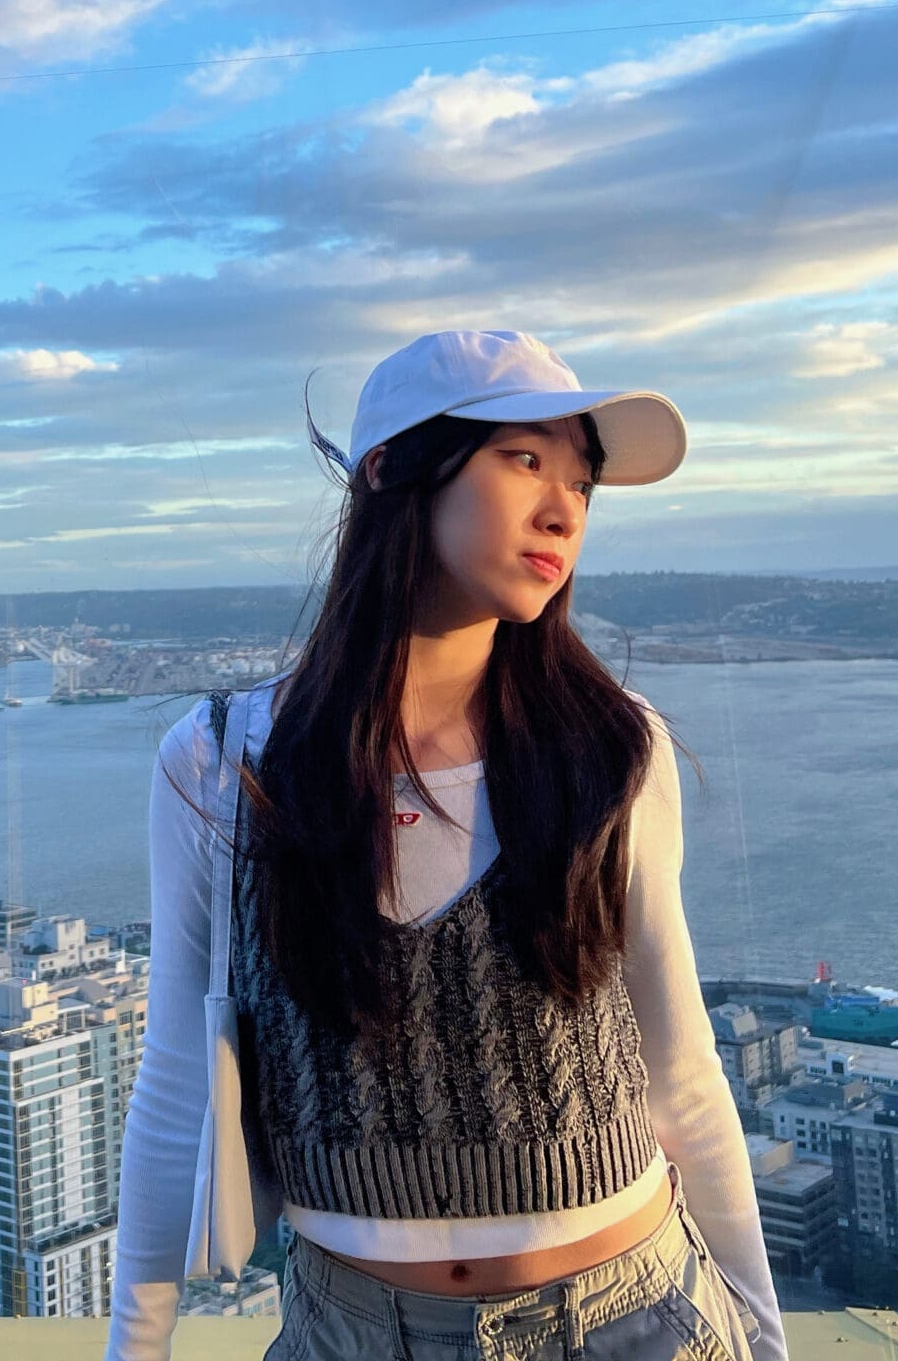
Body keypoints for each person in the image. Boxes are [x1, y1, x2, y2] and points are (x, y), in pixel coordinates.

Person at [107, 329, 787, 1361]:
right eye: (524, 459)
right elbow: (173, 1088)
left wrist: (762, 1336)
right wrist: (136, 1350)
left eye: (582, 481)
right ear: (389, 471)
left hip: (636, 1317)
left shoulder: (611, 749)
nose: (564, 508)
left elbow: (680, 1068)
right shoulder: (220, 763)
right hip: (352, 1332)